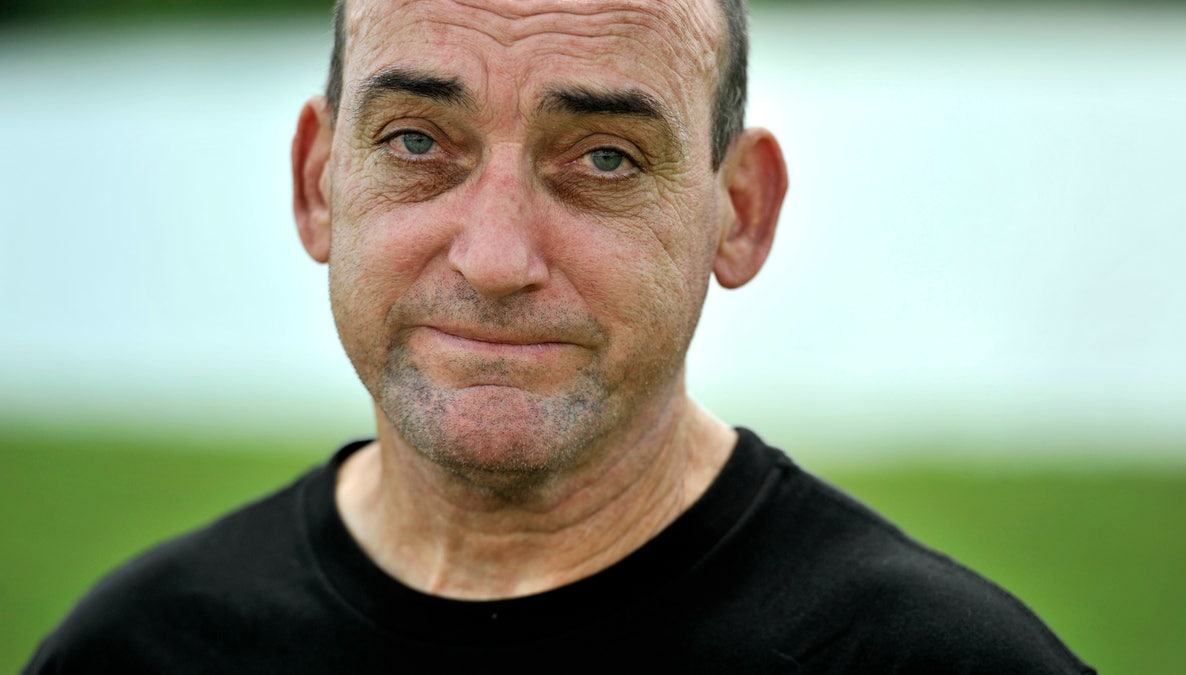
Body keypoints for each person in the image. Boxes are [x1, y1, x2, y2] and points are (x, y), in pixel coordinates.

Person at [25, 0, 1095, 672]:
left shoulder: (933, 661)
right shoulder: (141, 647)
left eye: (606, 159)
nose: (494, 257)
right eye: (415, 141)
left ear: (739, 212)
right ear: (318, 183)